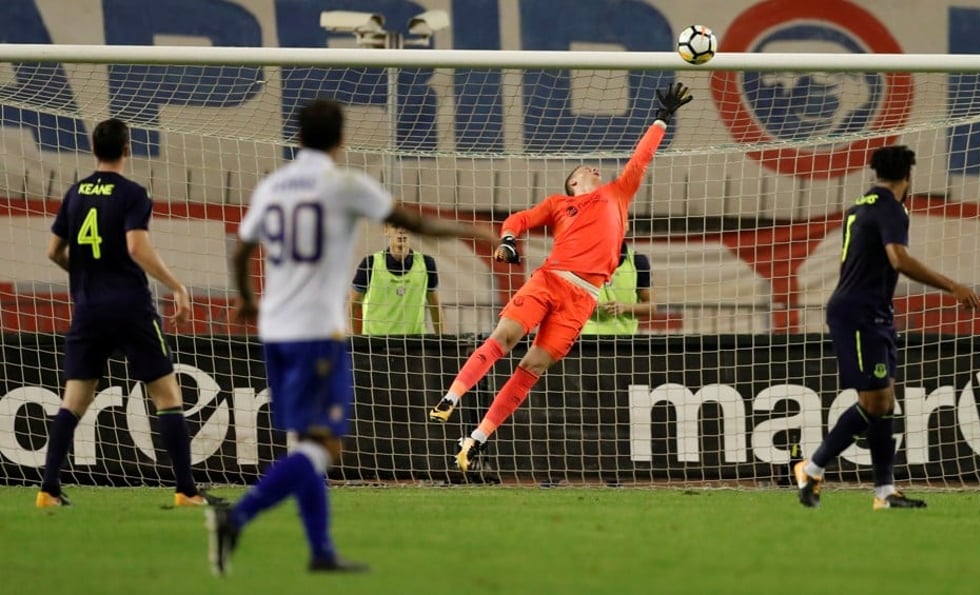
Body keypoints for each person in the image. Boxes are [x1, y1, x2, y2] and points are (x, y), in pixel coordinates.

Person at [207, 99, 495, 575]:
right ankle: (236, 516)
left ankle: (320, 551)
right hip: (316, 332)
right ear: (341, 140)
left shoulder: (273, 185)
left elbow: (240, 251)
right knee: (323, 446)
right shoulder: (344, 184)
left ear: (296, 137)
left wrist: (247, 299)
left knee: (305, 445)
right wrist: (474, 231)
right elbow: (416, 223)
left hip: (275, 330)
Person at [427, 83, 693, 471]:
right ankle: (452, 396)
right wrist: (507, 239)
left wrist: (662, 118)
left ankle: (477, 439)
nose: (594, 169)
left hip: (583, 299)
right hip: (551, 279)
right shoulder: (559, 205)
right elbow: (518, 219)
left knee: (532, 366)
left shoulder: (617, 194)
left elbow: (641, 158)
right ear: (573, 183)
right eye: (586, 169)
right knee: (505, 337)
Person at [793, 145, 979, 510]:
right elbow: (899, 258)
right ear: (908, 176)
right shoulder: (891, 208)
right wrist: (952, 286)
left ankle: (884, 492)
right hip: (861, 314)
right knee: (876, 401)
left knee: (883, 402)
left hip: (867, 311)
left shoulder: (860, 206)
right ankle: (812, 467)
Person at [38, 118, 210, 508]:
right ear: (127, 149)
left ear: (94, 149)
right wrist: (177, 285)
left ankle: (48, 489)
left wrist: (85, 275)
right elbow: (136, 247)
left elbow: (53, 252)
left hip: (88, 309)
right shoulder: (133, 193)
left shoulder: (75, 193)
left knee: (74, 400)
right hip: (130, 306)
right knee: (167, 395)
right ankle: (185, 489)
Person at [349, 224, 443, 335]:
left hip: (414, 345)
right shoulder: (370, 263)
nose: (401, 230)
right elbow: (353, 306)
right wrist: (357, 343)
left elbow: (435, 306)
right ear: (386, 230)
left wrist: (441, 342)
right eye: (395, 225)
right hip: (376, 345)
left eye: (405, 225)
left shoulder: (427, 264)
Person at [580, 240, 654, 335]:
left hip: (624, 340)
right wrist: (592, 306)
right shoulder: (582, 260)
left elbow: (651, 308)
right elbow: (569, 301)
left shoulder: (637, 261)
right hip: (589, 338)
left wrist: (624, 307)